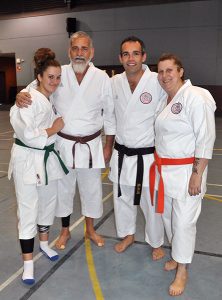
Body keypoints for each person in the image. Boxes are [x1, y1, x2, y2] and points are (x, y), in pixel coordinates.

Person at [16, 31, 116, 249]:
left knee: (91, 189)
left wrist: (108, 145)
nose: (79, 53)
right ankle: (64, 231)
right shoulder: (59, 72)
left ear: (92, 52)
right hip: (63, 143)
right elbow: (36, 86)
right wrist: (21, 94)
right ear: (69, 51)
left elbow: (109, 114)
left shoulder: (101, 78)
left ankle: (90, 229)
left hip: (91, 144)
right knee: (64, 190)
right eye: (75, 48)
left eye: (84, 48)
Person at [149, 53, 216, 296]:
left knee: (184, 223)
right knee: (168, 219)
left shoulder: (196, 96)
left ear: (180, 71)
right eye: (161, 71)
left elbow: (206, 137)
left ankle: (182, 271)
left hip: (188, 171)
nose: (164, 75)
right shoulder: (165, 100)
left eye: (169, 70)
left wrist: (197, 175)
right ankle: (177, 258)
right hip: (165, 171)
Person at [8, 48, 69, 285]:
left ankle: (44, 244)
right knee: (28, 209)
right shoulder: (28, 97)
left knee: (48, 202)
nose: (54, 81)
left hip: (46, 159)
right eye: (50, 77)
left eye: (57, 77)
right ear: (40, 77)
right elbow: (28, 134)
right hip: (28, 160)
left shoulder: (46, 94)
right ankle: (28, 264)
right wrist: (54, 129)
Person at [109, 36, 165, 259]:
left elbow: (178, 94)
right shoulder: (113, 82)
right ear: (120, 58)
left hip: (147, 155)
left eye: (135, 53)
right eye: (126, 54)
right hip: (122, 153)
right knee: (121, 198)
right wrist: (30, 89)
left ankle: (156, 241)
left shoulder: (157, 81)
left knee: (151, 202)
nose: (130, 58)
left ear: (144, 56)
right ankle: (127, 235)